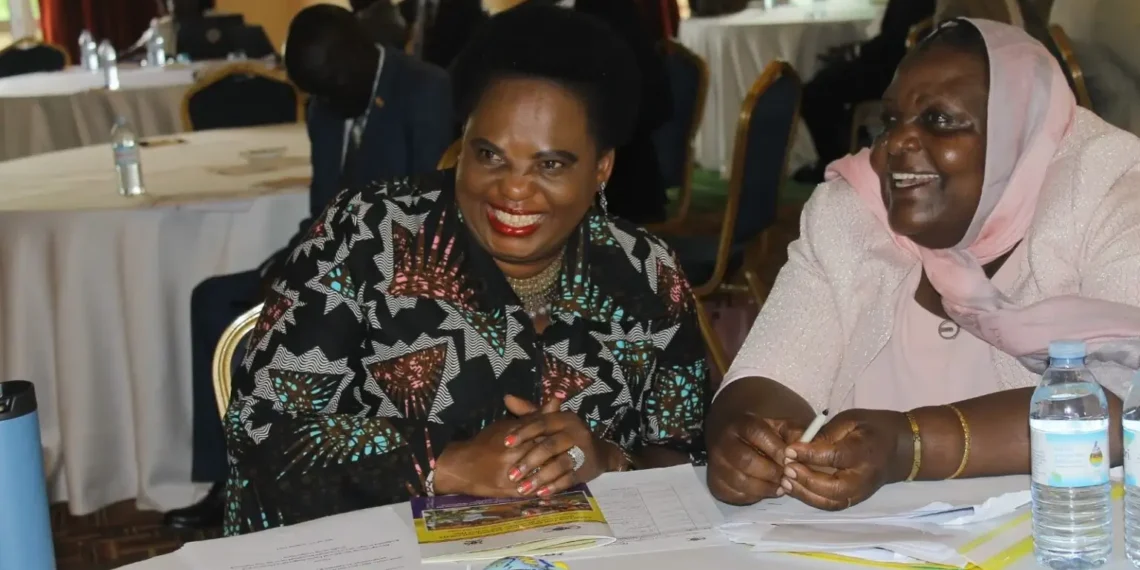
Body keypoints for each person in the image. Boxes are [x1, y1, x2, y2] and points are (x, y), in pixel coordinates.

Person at [222, 5, 707, 535]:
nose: (514, 189)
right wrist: (442, 463)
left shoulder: (646, 273)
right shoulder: (367, 236)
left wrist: (611, 461)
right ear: (463, 145)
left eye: (550, 164)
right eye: (490, 155)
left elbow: (689, 455)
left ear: (602, 168)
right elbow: (259, 431)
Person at [706, 19, 1140, 510]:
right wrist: (749, 443)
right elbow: (772, 373)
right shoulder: (852, 214)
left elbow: (1124, 406)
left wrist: (911, 444)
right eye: (889, 122)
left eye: (939, 121)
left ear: (1019, 133)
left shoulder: (1108, 195)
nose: (895, 144)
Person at [165, 4, 453, 530]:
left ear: (355, 57)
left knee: (284, 329)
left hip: (397, 280)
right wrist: (292, 267)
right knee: (212, 299)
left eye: (326, 85)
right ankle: (226, 479)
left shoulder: (426, 91)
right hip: (330, 265)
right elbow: (324, 211)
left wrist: (325, 279)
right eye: (310, 90)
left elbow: (427, 218)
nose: (318, 100)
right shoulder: (329, 104)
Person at [479, 0, 673, 224]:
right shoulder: (488, 17)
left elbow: (656, 103)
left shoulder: (614, 13)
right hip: (496, 194)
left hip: (614, 194)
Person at [794, 0, 935, 184]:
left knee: (815, 92)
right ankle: (851, 150)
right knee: (830, 77)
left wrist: (856, 50)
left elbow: (893, 42)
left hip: (894, 71)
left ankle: (834, 163)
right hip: (903, 65)